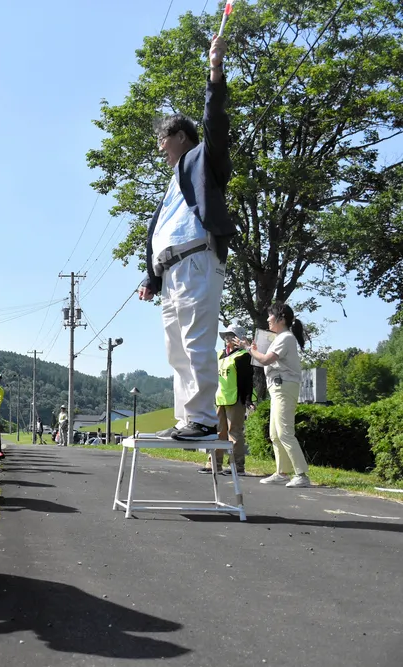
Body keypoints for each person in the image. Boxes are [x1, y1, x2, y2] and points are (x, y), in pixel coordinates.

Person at [137, 35, 236, 442]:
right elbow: (157, 232)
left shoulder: (202, 161)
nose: (160, 147)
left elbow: (216, 123)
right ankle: (187, 419)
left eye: (163, 139)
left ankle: (205, 419)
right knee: (175, 349)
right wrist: (150, 275)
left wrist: (215, 71)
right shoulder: (171, 186)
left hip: (197, 261)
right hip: (171, 270)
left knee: (196, 341)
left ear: (180, 136)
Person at [241, 303, 310, 488]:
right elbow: (263, 358)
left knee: (285, 432)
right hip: (278, 387)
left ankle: (301, 474)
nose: (268, 320)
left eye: (270, 316)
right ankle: (281, 472)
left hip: (283, 387)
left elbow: (265, 359)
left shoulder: (285, 338)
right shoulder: (281, 338)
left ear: (281, 319)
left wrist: (249, 349)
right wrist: (252, 348)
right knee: (275, 434)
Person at [199, 324, 252, 475]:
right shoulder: (219, 354)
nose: (227, 338)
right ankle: (214, 464)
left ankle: (237, 466)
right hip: (219, 398)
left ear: (239, 338)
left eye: (231, 335)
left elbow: (248, 380)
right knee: (218, 433)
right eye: (226, 335)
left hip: (235, 399)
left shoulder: (243, 355)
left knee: (234, 432)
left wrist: (248, 400)